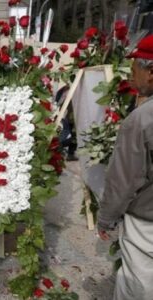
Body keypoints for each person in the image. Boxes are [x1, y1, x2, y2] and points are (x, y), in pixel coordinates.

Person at [97, 34, 153, 300]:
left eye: (134, 70)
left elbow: (124, 180)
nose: (131, 77)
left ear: (150, 72)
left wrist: (106, 218)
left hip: (147, 224)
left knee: (138, 284)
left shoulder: (142, 120)